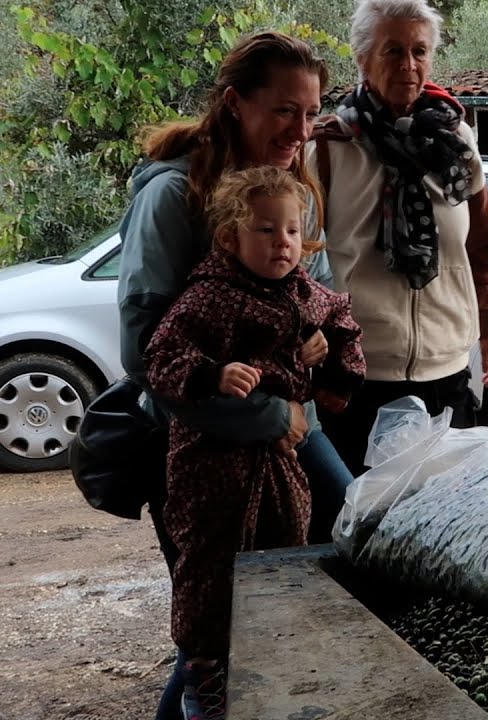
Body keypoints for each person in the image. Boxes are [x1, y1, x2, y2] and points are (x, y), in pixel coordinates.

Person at [113, 30, 353, 720]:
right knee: (214, 613)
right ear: (234, 104)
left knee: (315, 553)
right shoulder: (172, 196)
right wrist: (274, 415)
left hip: (284, 425)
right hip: (201, 437)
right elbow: (144, 353)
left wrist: (322, 341)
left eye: (310, 113)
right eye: (284, 110)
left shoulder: (290, 189)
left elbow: (319, 293)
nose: (300, 129)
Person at [143, 164, 365, 720]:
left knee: (282, 566)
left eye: (290, 230)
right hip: (210, 470)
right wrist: (213, 376)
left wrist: (334, 368)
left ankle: (268, 678)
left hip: (279, 465)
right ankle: (204, 683)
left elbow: (342, 319)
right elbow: (161, 356)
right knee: (209, 575)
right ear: (230, 237)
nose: (281, 242)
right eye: (265, 230)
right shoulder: (208, 297)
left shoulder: (305, 293)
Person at [305, 0, 488, 476]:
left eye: (419, 51)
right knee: (359, 526)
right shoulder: (330, 149)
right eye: (392, 50)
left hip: (447, 371)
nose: (408, 65)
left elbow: (483, 243)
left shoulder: (456, 140)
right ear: (362, 58)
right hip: (358, 377)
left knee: (443, 523)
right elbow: (299, 262)